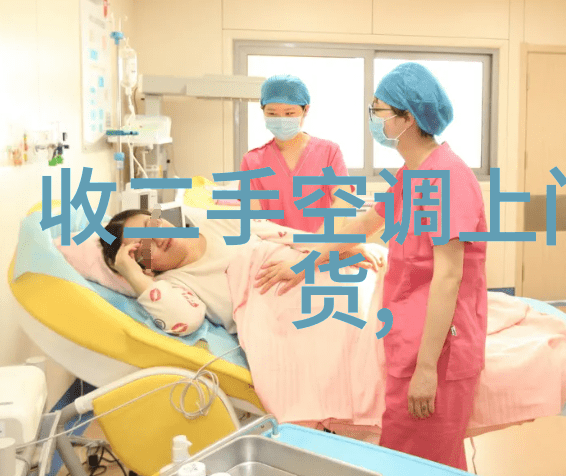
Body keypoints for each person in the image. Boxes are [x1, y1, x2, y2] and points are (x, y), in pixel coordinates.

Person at [255, 62, 489, 471]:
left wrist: (427, 369)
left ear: (407, 118)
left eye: (378, 110)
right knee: (405, 457)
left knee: (423, 464)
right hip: (408, 339)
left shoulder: (447, 177)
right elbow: (364, 225)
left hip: (438, 350)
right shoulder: (414, 174)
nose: (373, 119)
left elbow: (449, 276)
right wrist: (304, 263)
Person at [99, 210, 384, 337]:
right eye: (142, 247)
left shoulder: (216, 223)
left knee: (382, 277)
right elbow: (185, 320)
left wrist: (336, 250)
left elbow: (285, 236)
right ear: (145, 267)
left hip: (318, 267)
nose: (155, 238)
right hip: (299, 316)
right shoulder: (174, 285)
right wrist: (134, 276)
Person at [240, 74, 355, 234]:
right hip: (272, 246)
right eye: (272, 114)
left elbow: (343, 200)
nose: (281, 119)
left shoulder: (329, 152)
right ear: (263, 111)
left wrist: (319, 242)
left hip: (320, 245)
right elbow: (254, 220)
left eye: (289, 113)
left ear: (305, 110)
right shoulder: (252, 161)